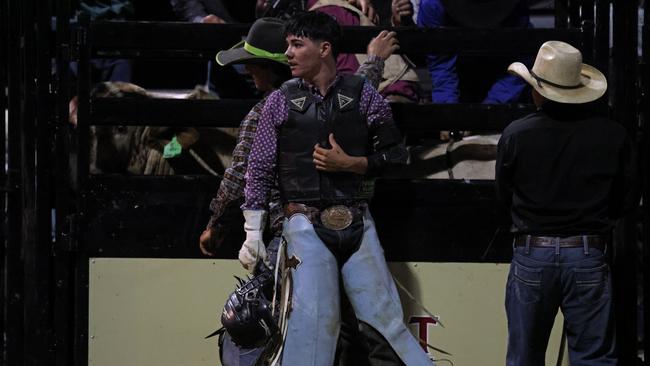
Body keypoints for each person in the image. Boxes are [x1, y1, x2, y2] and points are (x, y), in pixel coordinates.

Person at [199, 16, 403, 366]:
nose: (250, 74)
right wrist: (375, 60)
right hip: (341, 227)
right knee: (347, 325)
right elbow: (361, 88)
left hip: (292, 231)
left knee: (292, 324)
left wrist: (217, 222)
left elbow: (241, 174)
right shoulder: (336, 97)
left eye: (253, 66)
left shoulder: (268, 109)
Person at [240, 11, 434, 365]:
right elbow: (259, 166)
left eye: (297, 44)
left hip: (357, 220)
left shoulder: (362, 95)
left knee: (385, 326)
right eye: (288, 45)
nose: (288, 54)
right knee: (312, 326)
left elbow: (396, 154)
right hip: (303, 224)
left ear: (324, 49)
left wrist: (354, 164)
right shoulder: (279, 101)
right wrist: (252, 230)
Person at [496, 40, 638, 365]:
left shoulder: (516, 134)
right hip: (587, 251)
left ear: (539, 91)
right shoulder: (612, 134)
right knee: (594, 356)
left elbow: (504, 195)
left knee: (524, 356)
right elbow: (628, 197)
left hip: (533, 251)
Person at [417, 0, 531, 104]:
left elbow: (519, 64)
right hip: (460, 75)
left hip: (501, 69)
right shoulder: (433, 5)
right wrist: (449, 114)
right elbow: (441, 66)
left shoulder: (515, 6)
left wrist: (492, 107)